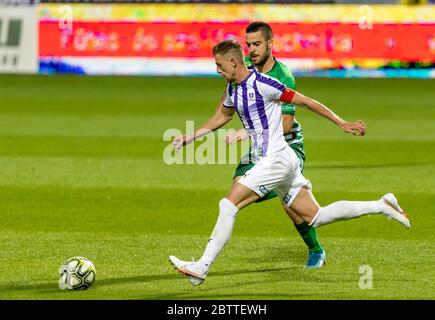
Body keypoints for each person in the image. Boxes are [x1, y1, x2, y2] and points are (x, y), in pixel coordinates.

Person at [169, 39, 410, 286]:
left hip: (276, 160)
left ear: (233, 62)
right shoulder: (233, 89)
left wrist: (341, 123)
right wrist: (191, 136)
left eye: (219, 65)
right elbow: (223, 114)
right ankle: (382, 205)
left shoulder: (264, 84)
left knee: (228, 204)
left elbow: (304, 101)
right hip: (281, 161)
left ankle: (201, 267)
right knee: (316, 217)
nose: (217, 70)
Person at [225, 21, 357, 268]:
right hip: (260, 147)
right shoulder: (246, 72)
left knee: (290, 207)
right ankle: (204, 262)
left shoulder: (282, 75)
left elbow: (285, 125)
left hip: (287, 145)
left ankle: (316, 250)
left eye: (257, 44)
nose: (251, 50)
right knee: (234, 192)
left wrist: (243, 132)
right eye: (248, 45)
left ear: (270, 44)